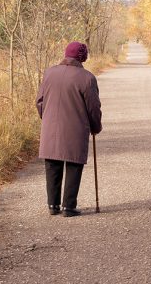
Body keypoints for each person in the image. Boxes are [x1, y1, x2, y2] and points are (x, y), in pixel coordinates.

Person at [36, 41, 103, 217]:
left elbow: (40, 101)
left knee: (52, 164)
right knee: (74, 164)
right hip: (75, 128)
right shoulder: (87, 78)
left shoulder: (49, 73)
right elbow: (93, 107)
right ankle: (69, 207)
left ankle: (53, 205)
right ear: (83, 57)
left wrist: (48, 118)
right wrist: (96, 126)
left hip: (50, 128)